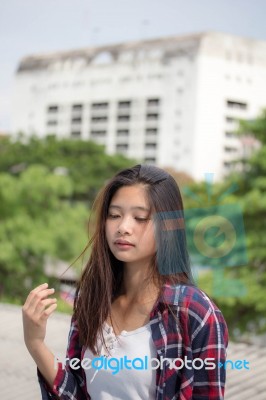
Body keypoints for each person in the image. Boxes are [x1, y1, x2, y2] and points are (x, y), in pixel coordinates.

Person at [22, 164, 228, 400]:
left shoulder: (195, 312)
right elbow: (77, 393)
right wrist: (35, 343)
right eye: (114, 215)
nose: (123, 228)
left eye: (140, 218)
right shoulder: (93, 298)